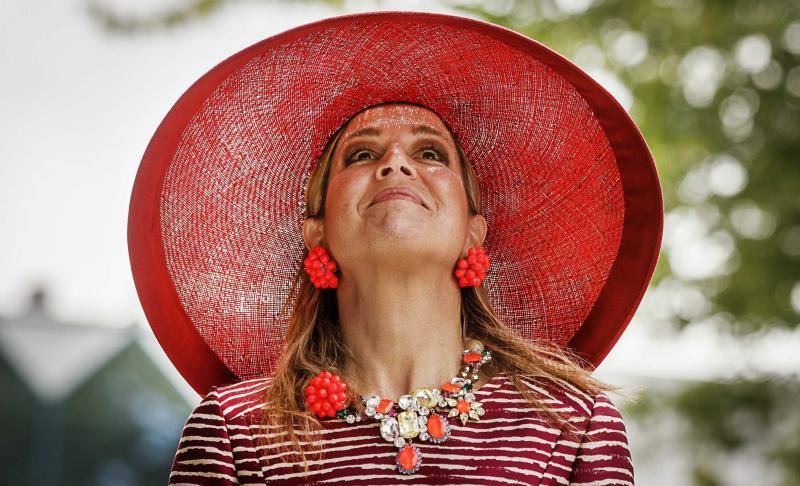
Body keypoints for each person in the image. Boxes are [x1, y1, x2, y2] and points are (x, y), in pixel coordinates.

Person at [128, 11, 662, 485]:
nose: (396, 164)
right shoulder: (235, 429)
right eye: (361, 155)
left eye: (430, 152)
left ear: (474, 230)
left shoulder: (572, 422)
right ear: (317, 231)